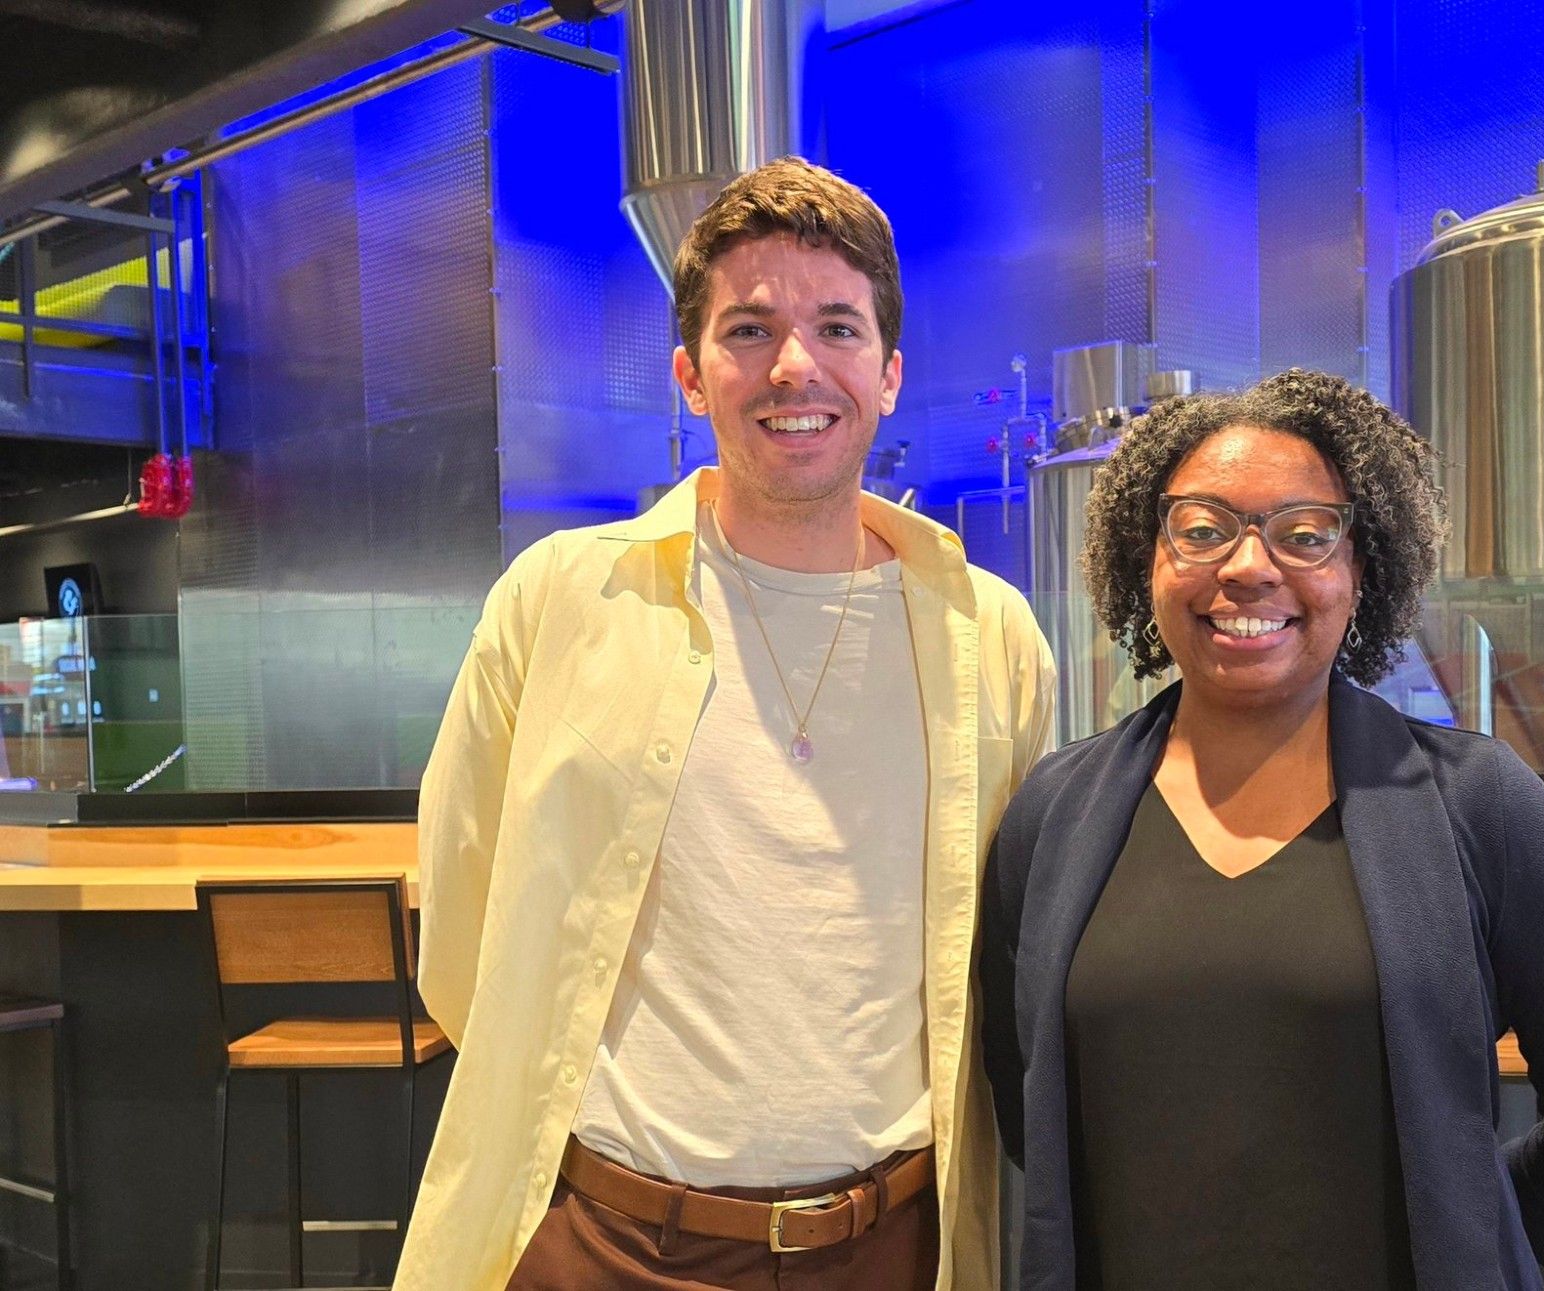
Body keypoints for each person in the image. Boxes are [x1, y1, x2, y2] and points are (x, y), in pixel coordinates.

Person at [399, 158, 1055, 1291]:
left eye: (837, 328)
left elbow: (1010, 951)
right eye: (746, 329)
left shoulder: (989, 633)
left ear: (888, 373)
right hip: (610, 1244)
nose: (793, 365)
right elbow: (460, 927)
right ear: (689, 377)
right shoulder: (560, 597)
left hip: (896, 1245)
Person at [980, 369, 1544, 1290]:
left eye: (1304, 535)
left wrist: (1471, 1226)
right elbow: (1026, 1108)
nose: (1248, 567)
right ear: (1145, 559)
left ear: (1363, 570)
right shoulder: (1052, 817)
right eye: (1202, 528)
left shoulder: (1481, 803)